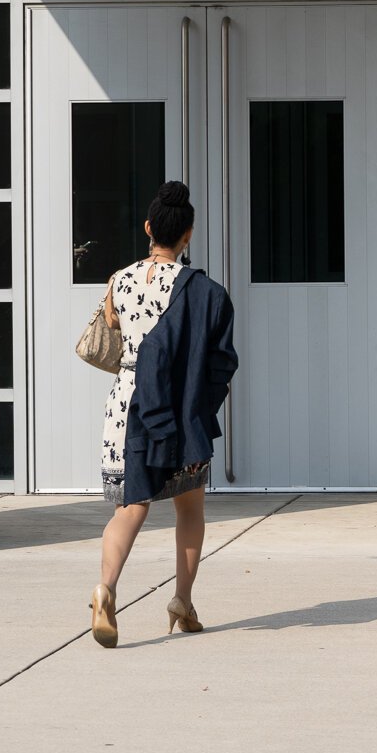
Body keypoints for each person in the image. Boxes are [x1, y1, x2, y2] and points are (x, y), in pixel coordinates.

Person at [90, 181, 239, 648]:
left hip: (127, 406)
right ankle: (182, 601)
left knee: (130, 505)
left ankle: (106, 588)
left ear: (149, 227)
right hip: (177, 404)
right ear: (188, 235)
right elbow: (218, 358)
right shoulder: (202, 290)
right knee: (189, 507)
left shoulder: (119, 280)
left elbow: (114, 330)